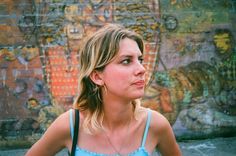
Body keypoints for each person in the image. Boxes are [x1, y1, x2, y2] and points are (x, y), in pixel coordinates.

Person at [26, 23, 181, 156]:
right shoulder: (71, 125)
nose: (141, 69)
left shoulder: (155, 125)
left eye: (140, 60)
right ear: (97, 77)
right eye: (126, 61)